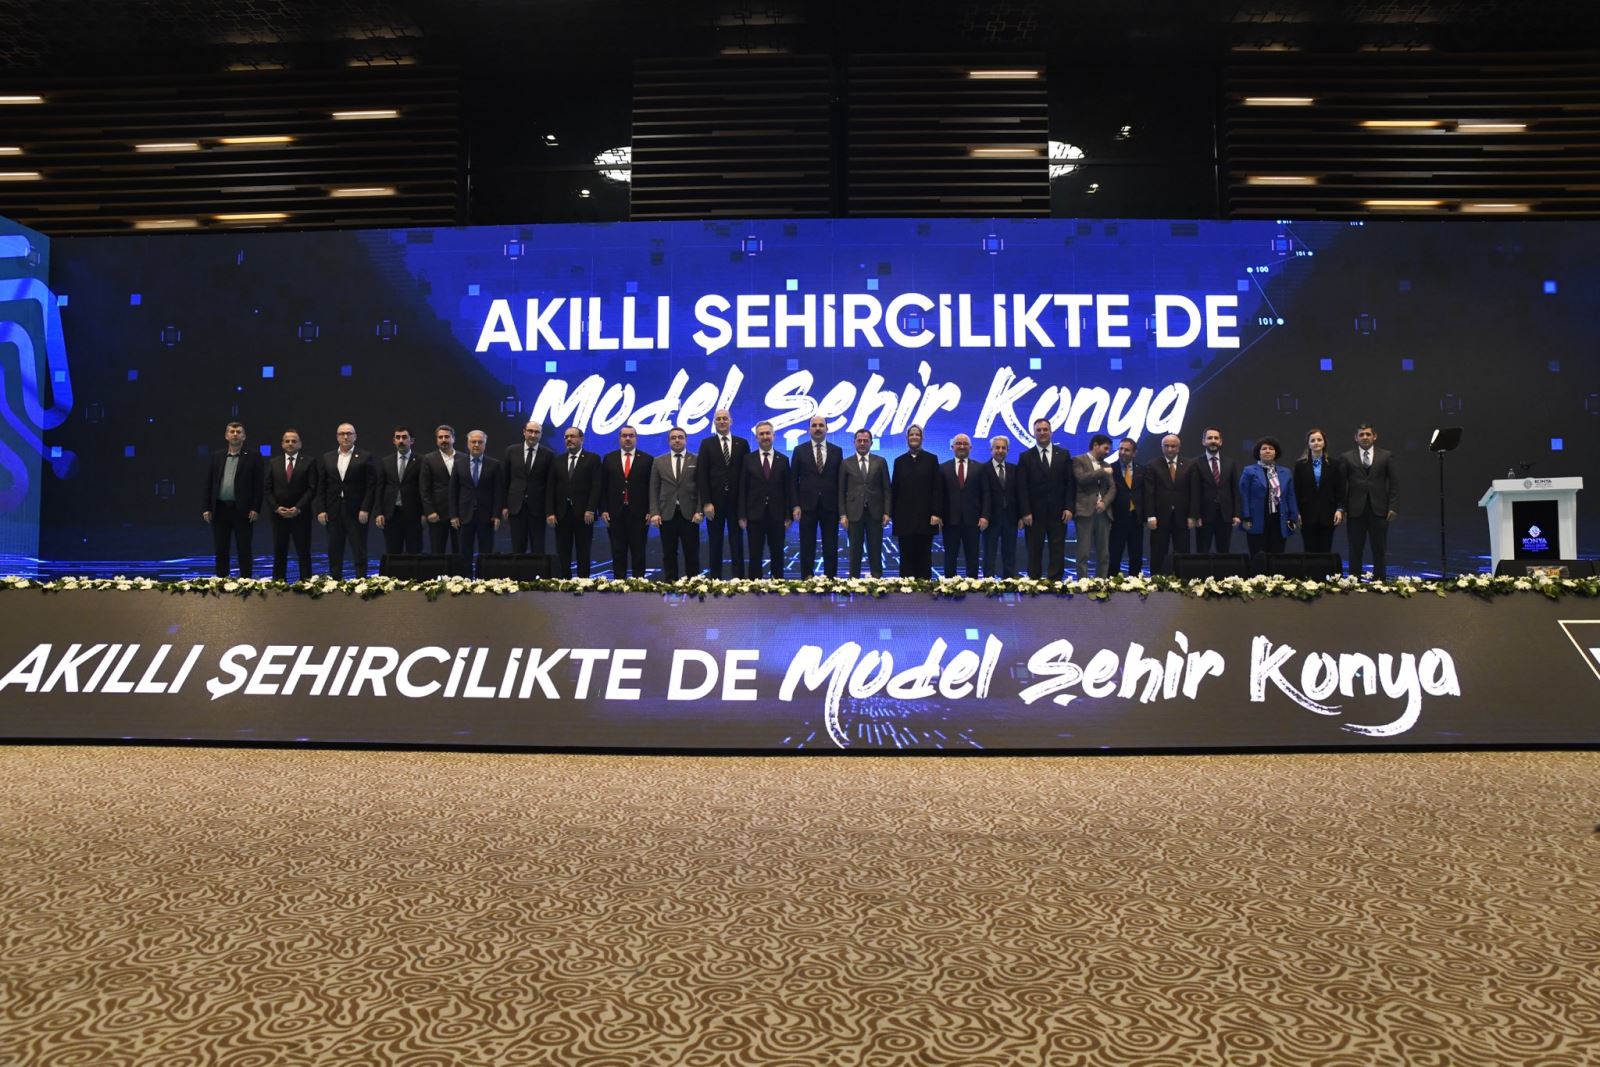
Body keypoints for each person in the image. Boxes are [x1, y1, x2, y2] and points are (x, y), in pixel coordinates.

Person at [201, 420, 262, 578]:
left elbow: (258, 485)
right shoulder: (217, 456)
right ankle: (222, 580)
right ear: (226, 436)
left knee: (244, 549)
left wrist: (256, 508)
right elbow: (209, 483)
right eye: (232, 432)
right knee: (221, 549)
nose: (235, 434)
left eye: (238, 432)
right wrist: (206, 507)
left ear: (244, 436)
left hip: (243, 510)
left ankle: (246, 581)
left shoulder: (253, 457)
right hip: (220, 509)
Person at [1017, 418, 1074, 581]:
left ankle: (1055, 581)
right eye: (1039, 430)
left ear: (1051, 432)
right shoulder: (1025, 457)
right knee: (1034, 549)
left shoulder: (1063, 454)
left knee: (1057, 548)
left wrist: (1069, 507)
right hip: (1034, 514)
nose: (1042, 433)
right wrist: (1025, 511)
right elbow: (1021, 487)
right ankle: (1034, 581)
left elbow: (1070, 483)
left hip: (1058, 512)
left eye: (1045, 429)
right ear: (1034, 433)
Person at [696, 409, 749, 579]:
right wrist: (706, 502)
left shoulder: (742, 443)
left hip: (736, 502)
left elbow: (747, 474)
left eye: (725, 418)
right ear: (714, 422)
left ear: (731, 421)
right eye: (718, 419)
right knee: (715, 542)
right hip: (714, 503)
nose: (722, 421)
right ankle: (715, 580)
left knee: (737, 542)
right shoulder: (707, 444)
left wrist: (744, 505)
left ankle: (739, 580)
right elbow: (702, 474)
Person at [316, 423, 374, 579]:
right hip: (333, 510)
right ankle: (335, 581)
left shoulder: (365, 456)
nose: (346, 436)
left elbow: (371, 486)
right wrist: (321, 509)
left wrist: (365, 508)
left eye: (349, 433)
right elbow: (322, 486)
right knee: (334, 548)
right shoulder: (327, 457)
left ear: (355, 436)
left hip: (357, 511)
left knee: (359, 548)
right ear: (337, 437)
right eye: (342, 434)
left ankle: (361, 581)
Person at [1341, 423, 1399, 579]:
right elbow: (1341, 485)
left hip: (1379, 509)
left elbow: (1394, 483)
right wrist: (1342, 508)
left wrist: (1393, 506)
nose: (1365, 437)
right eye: (1361, 434)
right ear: (1356, 438)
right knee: (1355, 549)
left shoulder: (1386, 456)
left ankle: (1380, 581)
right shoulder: (1347, 457)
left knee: (1379, 549)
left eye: (1368, 434)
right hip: (1355, 510)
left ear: (1375, 436)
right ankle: (1354, 581)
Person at [739, 420, 794, 578]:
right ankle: (754, 588)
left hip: (777, 516)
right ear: (756, 437)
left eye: (767, 433)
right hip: (754, 515)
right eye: (761, 434)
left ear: (774, 436)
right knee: (755, 555)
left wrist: (788, 515)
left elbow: (788, 489)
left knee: (777, 554)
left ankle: (778, 586)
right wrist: (742, 515)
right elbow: (742, 489)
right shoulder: (747, 459)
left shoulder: (783, 460)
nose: (765, 437)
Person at [791, 414, 842, 578]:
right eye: (814, 425)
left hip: (830, 506)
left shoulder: (837, 451)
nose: (818, 428)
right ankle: (807, 579)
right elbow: (793, 481)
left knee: (831, 545)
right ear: (809, 429)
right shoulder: (799, 451)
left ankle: (830, 580)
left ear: (827, 428)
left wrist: (842, 509)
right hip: (806, 506)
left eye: (821, 425)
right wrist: (795, 505)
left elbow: (840, 481)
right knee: (807, 545)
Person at [546, 426, 601, 578]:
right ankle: (565, 581)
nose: (569, 439)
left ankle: (583, 582)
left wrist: (591, 509)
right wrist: (550, 512)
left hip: (584, 514)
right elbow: (550, 488)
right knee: (563, 551)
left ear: (581, 439)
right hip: (562, 513)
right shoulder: (558, 460)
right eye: (566, 437)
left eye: (572, 436)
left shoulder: (592, 459)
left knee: (584, 550)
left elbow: (596, 486)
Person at [649, 427, 702, 581]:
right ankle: (670, 583)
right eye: (673, 438)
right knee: (668, 553)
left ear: (686, 440)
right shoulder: (658, 461)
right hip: (666, 514)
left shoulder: (696, 459)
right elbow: (653, 489)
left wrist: (700, 510)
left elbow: (701, 488)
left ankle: (694, 583)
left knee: (692, 552)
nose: (677, 440)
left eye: (680, 437)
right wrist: (654, 512)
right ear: (669, 441)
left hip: (690, 514)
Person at [264, 428, 317, 582]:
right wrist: (276, 508)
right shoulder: (273, 463)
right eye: (287, 441)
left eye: (294, 441)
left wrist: (298, 508)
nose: (290, 444)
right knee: (279, 551)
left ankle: (306, 584)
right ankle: (278, 584)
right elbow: (267, 489)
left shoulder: (309, 462)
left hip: (301, 515)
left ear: (300, 444)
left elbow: (312, 488)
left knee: (303, 551)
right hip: (278, 516)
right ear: (282, 444)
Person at [600, 425, 653, 579]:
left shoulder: (647, 459)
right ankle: (619, 584)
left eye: (631, 435)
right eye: (624, 435)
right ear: (619, 438)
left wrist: (651, 510)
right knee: (618, 551)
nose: (628, 438)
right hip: (615, 513)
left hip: (640, 514)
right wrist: (603, 509)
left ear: (636, 438)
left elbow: (651, 487)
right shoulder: (609, 458)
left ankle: (639, 583)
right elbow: (603, 486)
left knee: (639, 551)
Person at [891, 425, 943, 579]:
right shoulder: (899, 461)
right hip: (904, 520)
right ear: (907, 438)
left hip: (926, 519)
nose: (914, 437)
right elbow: (895, 489)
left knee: (924, 557)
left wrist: (936, 513)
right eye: (911, 435)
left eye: (917, 434)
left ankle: (924, 590)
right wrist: (893, 515)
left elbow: (937, 488)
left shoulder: (932, 459)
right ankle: (906, 591)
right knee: (905, 557)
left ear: (922, 438)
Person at [838, 428, 891, 577]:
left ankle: (877, 581)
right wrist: (842, 514)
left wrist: (887, 512)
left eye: (865, 441)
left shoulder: (880, 461)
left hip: (876, 513)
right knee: (855, 551)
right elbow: (841, 491)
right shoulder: (846, 463)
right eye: (859, 440)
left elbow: (887, 489)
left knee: (875, 550)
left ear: (871, 443)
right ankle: (853, 581)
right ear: (854, 442)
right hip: (853, 514)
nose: (862, 443)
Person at [449, 430, 503, 576]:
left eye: (480, 442)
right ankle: (465, 582)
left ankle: (485, 582)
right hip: (464, 515)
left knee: (486, 552)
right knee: (464, 552)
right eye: (473, 442)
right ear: (468, 444)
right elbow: (453, 491)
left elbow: (498, 492)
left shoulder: (494, 464)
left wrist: (496, 515)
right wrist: (453, 515)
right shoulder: (458, 464)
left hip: (487, 516)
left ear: (485, 445)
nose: (477, 445)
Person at [1144, 433, 1197, 576]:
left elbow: (1194, 492)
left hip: (1182, 516)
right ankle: (1156, 580)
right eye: (1166, 446)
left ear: (1179, 448)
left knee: (1183, 551)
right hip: (1159, 517)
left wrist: (1192, 515)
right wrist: (1150, 516)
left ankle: (1183, 580)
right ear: (1161, 447)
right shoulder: (1153, 465)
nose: (1170, 449)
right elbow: (1149, 493)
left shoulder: (1190, 465)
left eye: (1173, 446)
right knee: (1158, 551)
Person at [1239, 436, 1299, 561]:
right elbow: (1243, 494)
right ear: (1258, 452)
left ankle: (1275, 575)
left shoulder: (1285, 472)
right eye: (1264, 449)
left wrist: (1293, 517)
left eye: (1271, 449)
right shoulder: (1249, 470)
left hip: (1279, 520)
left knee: (1277, 558)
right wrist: (1246, 517)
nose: (1267, 451)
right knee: (1258, 557)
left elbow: (1290, 496)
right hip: (1256, 520)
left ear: (1275, 452)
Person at [502, 420, 553, 556]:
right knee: (517, 548)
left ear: (541, 434)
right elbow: (505, 480)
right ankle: (518, 571)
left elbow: (550, 485)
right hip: (516, 507)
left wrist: (549, 511)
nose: (533, 435)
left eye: (536, 432)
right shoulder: (511, 451)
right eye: (530, 431)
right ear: (524, 432)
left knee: (538, 548)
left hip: (538, 509)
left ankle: (539, 571)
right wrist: (504, 505)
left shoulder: (548, 454)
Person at [1292, 428, 1346, 557]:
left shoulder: (1334, 464)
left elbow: (1340, 489)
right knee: (1309, 549)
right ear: (1308, 444)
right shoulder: (1300, 465)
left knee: (1326, 550)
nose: (1316, 443)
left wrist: (1340, 509)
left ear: (1324, 442)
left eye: (1319, 440)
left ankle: (1324, 571)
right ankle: (1309, 571)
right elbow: (1296, 490)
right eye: (1313, 440)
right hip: (1306, 514)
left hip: (1328, 514)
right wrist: (1296, 512)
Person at [938, 433, 987, 577]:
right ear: (952, 447)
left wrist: (985, 515)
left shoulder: (980, 468)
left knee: (973, 558)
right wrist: (938, 515)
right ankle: (948, 586)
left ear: (970, 447)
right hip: (949, 520)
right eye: (958, 443)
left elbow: (986, 494)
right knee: (949, 557)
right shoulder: (942, 468)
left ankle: (973, 587)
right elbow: (938, 494)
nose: (962, 446)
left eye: (965, 444)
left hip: (973, 520)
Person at [372, 426, 424, 557]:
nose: (401, 440)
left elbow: (424, 489)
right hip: (392, 514)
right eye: (398, 437)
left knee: (415, 552)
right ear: (394, 441)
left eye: (404, 437)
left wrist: (425, 512)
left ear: (412, 440)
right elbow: (380, 488)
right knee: (393, 553)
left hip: (414, 514)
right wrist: (378, 513)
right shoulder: (386, 461)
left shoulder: (421, 460)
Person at [1072, 433, 1117, 578]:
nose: (1107, 452)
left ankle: (1101, 582)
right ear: (1095, 445)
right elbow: (1081, 479)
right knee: (1083, 552)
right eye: (1105, 448)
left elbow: (1112, 488)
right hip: (1085, 511)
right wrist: (1102, 472)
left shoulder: (1107, 465)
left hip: (1103, 512)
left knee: (1104, 553)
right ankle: (1082, 583)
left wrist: (1105, 502)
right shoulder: (1079, 460)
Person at [1191, 426, 1240, 553]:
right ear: (1203, 442)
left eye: (1216, 438)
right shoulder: (1194, 463)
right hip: (1204, 516)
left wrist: (1236, 514)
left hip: (1225, 515)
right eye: (1209, 438)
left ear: (1221, 442)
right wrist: (1196, 515)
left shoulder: (1230, 463)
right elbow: (1194, 492)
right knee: (1202, 551)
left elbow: (1235, 490)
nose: (1213, 441)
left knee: (1224, 552)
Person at [979, 435, 1022, 578]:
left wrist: (1020, 516)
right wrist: (983, 516)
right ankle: (988, 583)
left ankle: (1009, 583)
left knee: (1010, 553)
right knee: (989, 554)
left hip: (1010, 518)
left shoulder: (1014, 469)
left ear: (1007, 450)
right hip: (990, 519)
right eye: (997, 447)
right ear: (991, 450)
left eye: (1003, 448)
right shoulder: (983, 469)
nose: (1000, 450)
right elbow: (982, 495)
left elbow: (1018, 494)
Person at [418, 425, 461, 560]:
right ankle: (438, 575)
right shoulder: (428, 459)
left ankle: (461, 574)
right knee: (437, 551)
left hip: (460, 513)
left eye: (447, 437)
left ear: (453, 439)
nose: (444, 440)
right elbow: (424, 488)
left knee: (460, 551)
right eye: (440, 437)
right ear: (436, 440)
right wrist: (429, 511)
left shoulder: (464, 458)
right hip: (437, 514)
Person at [1107, 437, 1147, 576]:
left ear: (1134, 453)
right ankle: (1112, 583)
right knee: (1114, 554)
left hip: (1136, 518)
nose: (1123, 452)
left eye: (1127, 450)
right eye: (1121, 449)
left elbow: (1146, 494)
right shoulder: (1110, 469)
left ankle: (1135, 582)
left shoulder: (1142, 470)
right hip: (1116, 518)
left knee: (1136, 554)